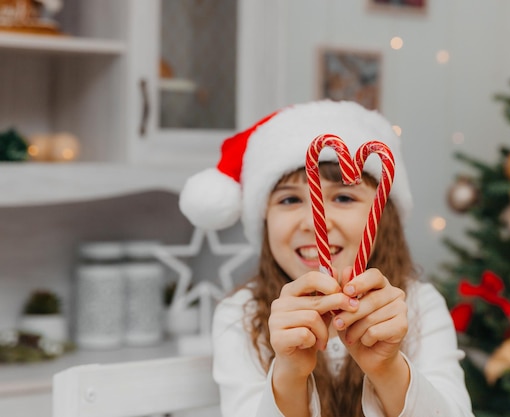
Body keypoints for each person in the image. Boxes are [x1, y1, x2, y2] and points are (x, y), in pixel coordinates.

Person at [179, 100, 474, 417]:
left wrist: (388, 369)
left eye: (344, 197)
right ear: (264, 220)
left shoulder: (418, 307)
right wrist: (289, 374)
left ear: (382, 217)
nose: (312, 220)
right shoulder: (239, 316)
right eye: (290, 199)